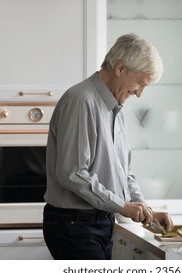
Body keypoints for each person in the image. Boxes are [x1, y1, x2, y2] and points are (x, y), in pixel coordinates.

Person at [43, 33, 174, 260]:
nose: (140, 93)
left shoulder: (115, 107)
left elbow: (124, 173)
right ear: (121, 68)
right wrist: (122, 206)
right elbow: (72, 174)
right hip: (75, 225)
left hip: (99, 223)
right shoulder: (81, 101)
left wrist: (146, 211)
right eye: (140, 83)